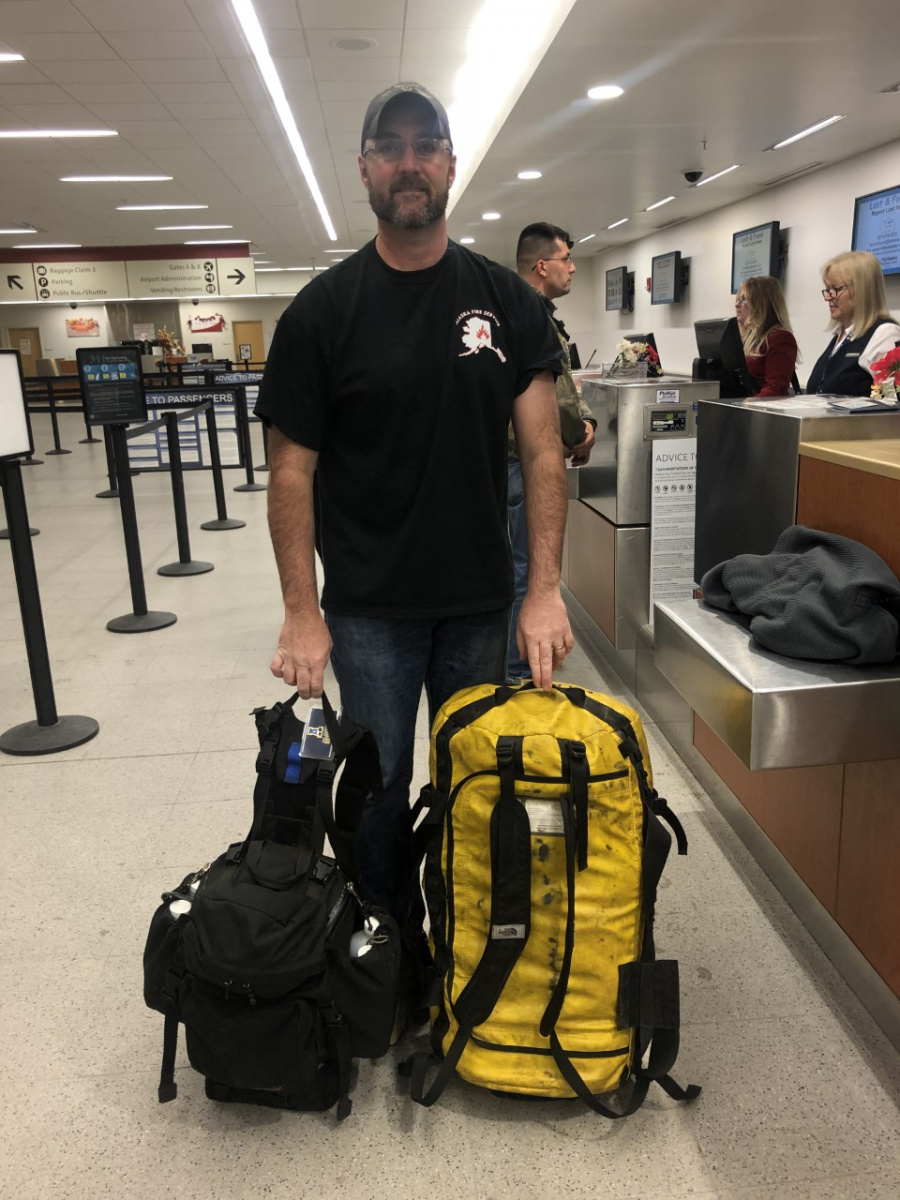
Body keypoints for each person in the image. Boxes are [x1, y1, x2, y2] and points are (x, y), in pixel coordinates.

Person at [254, 82, 573, 921]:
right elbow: (289, 474)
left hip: (480, 603)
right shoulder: (321, 314)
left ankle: (471, 961)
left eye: (424, 145)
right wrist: (299, 612)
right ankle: (387, 954)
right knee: (380, 791)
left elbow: (544, 453)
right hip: (369, 612)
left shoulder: (506, 301)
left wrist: (544, 591)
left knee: (479, 783)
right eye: (388, 146)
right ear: (363, 167)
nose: (407, 162)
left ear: (449, 167)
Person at [508, 221, 596, 679]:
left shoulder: (513, 309)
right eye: (566, 260)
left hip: (512, 460)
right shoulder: (531, 315)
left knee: (520, 565)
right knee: (527, 568)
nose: (573, 268)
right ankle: (519, 670)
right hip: (522, 463)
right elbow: (557, 391)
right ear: (542, 266)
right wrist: (580, 430)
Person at [806, 250, 900, 396]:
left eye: (836, 289)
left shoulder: (884, 334)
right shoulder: (841, 335)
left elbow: (892, 400)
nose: (828, 297)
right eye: (828, 289)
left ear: (861, 290)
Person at [734, 275, 798, 397]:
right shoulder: (745, 339)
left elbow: (775, 389)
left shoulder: (780, 338)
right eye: (738, 300)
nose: (737, 305)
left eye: (743, 299)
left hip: (759, 412)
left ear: (761, 303)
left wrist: (744, 406)